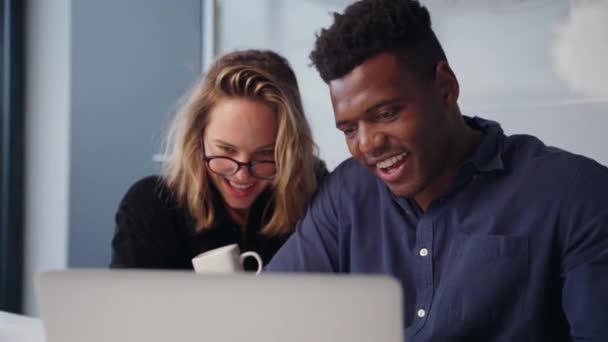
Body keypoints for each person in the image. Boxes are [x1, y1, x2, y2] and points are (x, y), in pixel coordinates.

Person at [265, 0, 608, 341]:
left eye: (385, 114)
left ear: (446, 87)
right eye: (349, 129)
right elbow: (264, 317)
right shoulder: (346, 196)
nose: (367, 145)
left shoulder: (576, 194)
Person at [111, 49, 326, 271]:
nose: (242, 175)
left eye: (265, 155)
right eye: (226, 150)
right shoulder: (151, 207)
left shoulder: (320, 203)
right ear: (197, 136)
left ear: (290, 150)